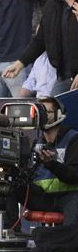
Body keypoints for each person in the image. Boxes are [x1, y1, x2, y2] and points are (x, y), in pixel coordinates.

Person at [3, 0, 78, 95]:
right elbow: (40, 40)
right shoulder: (52, 6)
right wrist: (20, 63)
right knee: (54, 113)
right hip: (63, 77)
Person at [9, 97, 78, 227]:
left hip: (70, 197)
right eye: (39, 112)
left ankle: (69, 246)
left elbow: (74, 176)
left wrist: (52, 164)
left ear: (58, 115)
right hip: (43, 198)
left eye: (46, 112)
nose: (41, 116)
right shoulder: (37, 143)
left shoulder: (74, 139)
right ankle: (11, 235)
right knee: (8, 184)